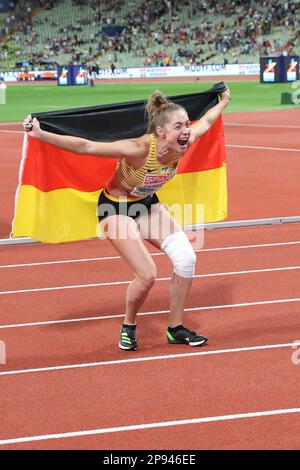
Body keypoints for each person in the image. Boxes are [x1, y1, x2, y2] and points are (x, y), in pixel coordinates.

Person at [23, 86, 230, 351]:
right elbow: (87, 146)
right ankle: (129, 325)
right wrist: (40, 134)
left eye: (186, 124)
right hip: (115, 207)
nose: (186, 131)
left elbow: (208, 121)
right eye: (179, 126)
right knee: (146, 275)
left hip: (146, 204)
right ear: (161, 132)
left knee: (187, 258)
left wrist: (223, 101)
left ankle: (175, 328)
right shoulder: (137, 149)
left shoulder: (184, 142)